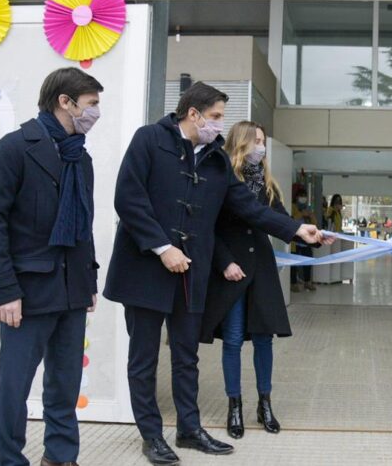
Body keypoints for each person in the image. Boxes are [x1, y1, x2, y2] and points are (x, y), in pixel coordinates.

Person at [102, 82, 326, 465]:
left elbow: (245, 206)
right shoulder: (149, 140)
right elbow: (128, 197)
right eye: (217, 116)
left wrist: (293, 229)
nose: (219, 125)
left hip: (192, 273)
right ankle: (151, 435)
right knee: (143, 358)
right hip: (145, 269)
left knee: (186, 355)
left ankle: (189, 429)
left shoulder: (216, 159)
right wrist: (163, 246)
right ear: (194, 114)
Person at [0, 67, 103, 466]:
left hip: (71, 289)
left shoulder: (81, 158)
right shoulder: (14, 148)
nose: (96, 113)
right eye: (92, 104)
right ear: (64, 101)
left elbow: (84, 224)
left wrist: (89, 280)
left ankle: (61, 456)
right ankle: (10, 460)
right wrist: (4, 290)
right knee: (14, 387)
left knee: (64, 385)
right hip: (26, 292)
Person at [202, 121, 303, 440]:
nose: (262, 147)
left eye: (263, 141)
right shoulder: (221, 179)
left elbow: (281, 221)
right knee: (232, 339)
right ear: (242, 142)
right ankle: (235, 405)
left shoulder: (268, 184)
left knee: (263, 337)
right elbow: (210, 228)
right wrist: (225, 262)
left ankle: (265, 404)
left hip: (261, 269)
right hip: (232, 271)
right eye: (256, 141)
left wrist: (311, 236)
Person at [290, 187, 317, 292]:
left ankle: (307, 282)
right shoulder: (292, 206)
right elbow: (291, 219)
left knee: (308, 261)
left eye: (304, 196)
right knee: (293, 263)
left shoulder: (307, 208)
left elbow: (314, 223)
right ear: (296, 197)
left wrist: (310, 215)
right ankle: (293, 283)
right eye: (301, 196)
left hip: (306, 240)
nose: (303, 198)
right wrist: (301, 214)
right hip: (295, 239)